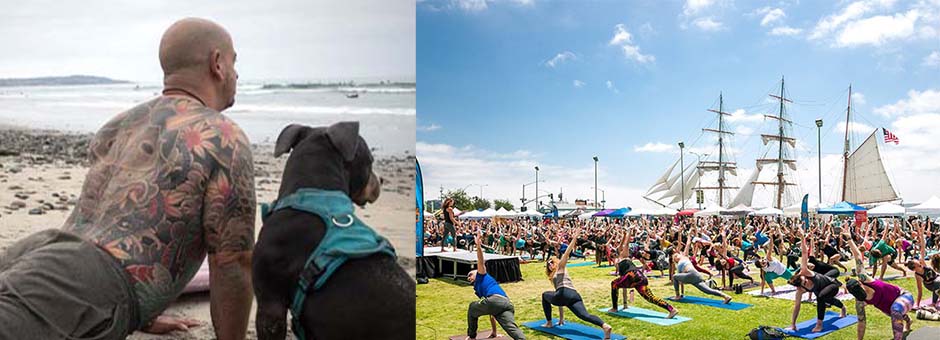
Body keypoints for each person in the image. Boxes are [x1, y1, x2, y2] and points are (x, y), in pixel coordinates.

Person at [0, 18, 254, 340]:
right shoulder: (223, 136)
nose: (236, 74)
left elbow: (112, 217)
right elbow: (233, 261)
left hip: (44, 251)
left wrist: (142, 312)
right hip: (78, 283)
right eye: (234, 62)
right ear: (217, 64)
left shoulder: (118, 125)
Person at [843, 225, 915, 340]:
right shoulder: (859, 302)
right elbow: (862, 324)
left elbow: (857, 255)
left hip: (904, 296)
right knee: (893, 312)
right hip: (892, 308)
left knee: (895, 311)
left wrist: (849, 239)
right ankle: (908, 320)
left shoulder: (864, 277)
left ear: (860, 283)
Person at [541, 228, 614, 339]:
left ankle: (549, 323)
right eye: (548, 264)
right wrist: (561, 319)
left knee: (544, 295)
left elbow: (566, 253)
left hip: (566, 293)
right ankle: (605, 326)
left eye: (551, 262)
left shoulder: (561, 267)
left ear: (556, 262)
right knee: (584, 315)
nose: (550, 265)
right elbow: (559, 299)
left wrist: (574, 238)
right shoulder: (556, 276)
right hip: (572, 295)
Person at [466, 231, 525, 340]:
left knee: (472, 307)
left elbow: (480, 261)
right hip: (506, 304)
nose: (469, 277)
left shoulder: (482, 276)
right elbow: (491, 312)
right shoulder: (479, 289)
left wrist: (478, 246)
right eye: (468, 278)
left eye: (470, 274)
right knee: (512, 329)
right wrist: (494, 332)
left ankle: (471, 337)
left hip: (498, 301)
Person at [609, 227, 678, 318]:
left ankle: (614, 308)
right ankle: (671, 309)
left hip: (632, 275)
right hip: (639, 277)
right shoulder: (619, 261)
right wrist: (625, 304)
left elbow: (625, 244)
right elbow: (623, 286)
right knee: (649, 297)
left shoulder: (623, 256)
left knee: (614, 284)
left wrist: (628, 233)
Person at [787, 235, 847, 333]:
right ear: (800, 287)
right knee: (827, 299)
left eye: (805, 280)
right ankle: (843, 308)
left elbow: (804, 252)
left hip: (833, 285)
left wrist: (802, 238)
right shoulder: (799, 291)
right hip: (822, 290)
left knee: (821, 297)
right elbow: (797, 307)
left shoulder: (805, 272)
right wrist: (793, 324)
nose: (807, 281)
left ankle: (819, 325)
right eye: (804, 283)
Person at [671, 227, 733, 303]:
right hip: (694, 277)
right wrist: (682, 293)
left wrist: (688, 234)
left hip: (693, 274)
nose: (677, 255)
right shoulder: (680, 263)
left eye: (677, 255)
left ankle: (677, 296)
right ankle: (726, 296)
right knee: (708, 290)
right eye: (676, 256)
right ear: (675, 260)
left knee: (674, 276)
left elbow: (687, 243)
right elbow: (680, 281)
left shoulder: (684, 256)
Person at [905, 219, 940, 308]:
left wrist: (919, 230)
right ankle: (933, 303)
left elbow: (923, 246)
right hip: (932, 285)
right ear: (914, 268)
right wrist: (917, 304)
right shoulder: (917, 275)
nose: (920, 263)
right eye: (918, 264)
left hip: (938, 279)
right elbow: (920, 291)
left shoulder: (923, 263)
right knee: (937, 282)